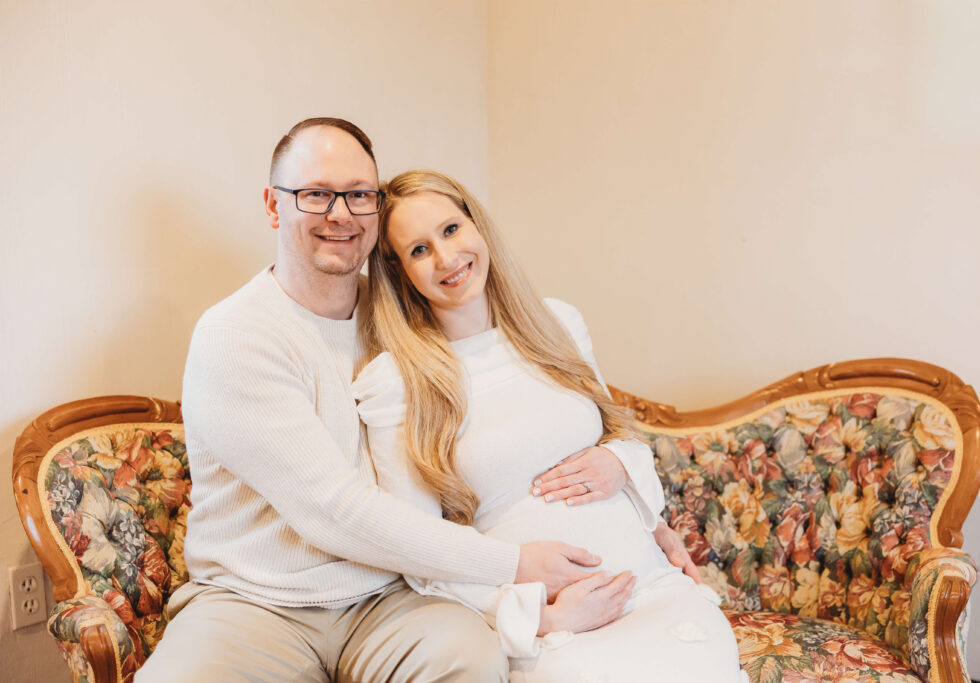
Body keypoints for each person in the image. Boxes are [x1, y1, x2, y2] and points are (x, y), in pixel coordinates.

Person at [138, 118, 628, 683]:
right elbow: (333, 511)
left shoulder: (408, 317)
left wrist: (630, 496)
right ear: (274, 207)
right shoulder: (237, 335)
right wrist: (513, 565)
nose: (340, 214)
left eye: (359, 195)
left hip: (391, 598)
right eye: (316, 194)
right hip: (255, 603)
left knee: (472, 658)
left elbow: (515, 421)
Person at [352, 170, 747, 682]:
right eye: (420, 250)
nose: (447, 258)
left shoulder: (557, 324)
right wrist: (540, 617)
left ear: (478, 226)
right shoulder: (396, 384)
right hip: (556, 630)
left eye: (451, 230)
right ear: (399, 271)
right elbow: (419, 550)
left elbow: (620, 436)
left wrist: (619, 466)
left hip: (652, 591)